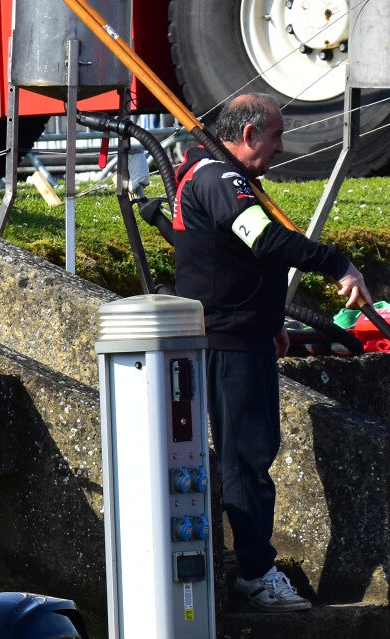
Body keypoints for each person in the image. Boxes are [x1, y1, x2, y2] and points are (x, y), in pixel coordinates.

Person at [146, 93, 372, 611]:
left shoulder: (224, 178)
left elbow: (234, 257)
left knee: (254, 452)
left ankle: (255, 568)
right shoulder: (217, 178)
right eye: (276, 136)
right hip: (228, 344)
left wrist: (269, 324)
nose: (281, 147)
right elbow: (265, 241)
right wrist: (337, 263)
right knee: (246, 457)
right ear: (247, 135)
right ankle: (254, 572)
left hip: (246, 337)